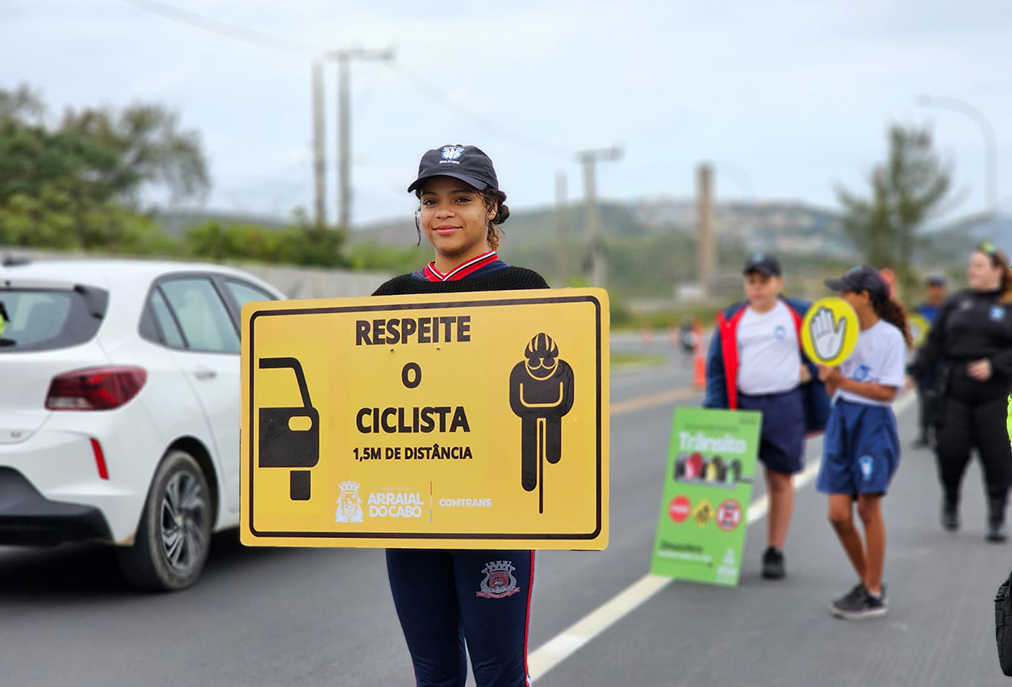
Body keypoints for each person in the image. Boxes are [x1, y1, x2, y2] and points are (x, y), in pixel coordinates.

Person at [373, 144, 547, 687]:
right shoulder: (391, 296)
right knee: (434, 673)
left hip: (494, 516)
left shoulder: (524, 289)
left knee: (499, 674)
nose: (443, 212)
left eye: (462, 199)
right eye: (430, 201)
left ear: (491, 207)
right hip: (411, 518)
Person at [704, 253, 830, 579]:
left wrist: (814, 371)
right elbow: (717, 367)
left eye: (764, 281)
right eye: (751, 281)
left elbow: (829, 349)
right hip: (742, 405)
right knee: (725, 479)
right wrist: (715, 410)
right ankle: (712, 549)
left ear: (779, 282)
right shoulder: (732, 319)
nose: (757, 287)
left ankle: (774, 549)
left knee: (779, 478)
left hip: (784, 405)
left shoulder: (800, 314)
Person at [816, 266, 909, 620]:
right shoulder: (841, 335)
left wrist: (841, 380)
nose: (840, 298)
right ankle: (870, 582)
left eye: (846, 292)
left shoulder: (889, 337)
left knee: (868, 509)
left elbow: (886, 392)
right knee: (838, 515)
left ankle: (872, 592)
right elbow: (833, 391)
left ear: (864, 297)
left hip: (872, 423)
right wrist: (829, 375)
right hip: (841, 420)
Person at [910, 243, 1012, 542]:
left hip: (995, 394)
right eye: (971, 265)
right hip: (956, 390)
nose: (972, 271)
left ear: (997, 271)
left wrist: (995, 364)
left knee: (997, 458)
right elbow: (934, 343)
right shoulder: (957, 302)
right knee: (950, 451)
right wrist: (914, 373)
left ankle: (996, 516)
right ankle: (951, 498)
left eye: (979, 266)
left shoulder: (1008, 305)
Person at [911, 275, 949, 447]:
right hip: (925, 359)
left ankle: (940, 431)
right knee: (924, 395)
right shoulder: (919, 311)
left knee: (942, 395)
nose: (935, 291)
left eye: (938, 287)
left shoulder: (949, 310)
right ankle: (925, 433)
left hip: (943, 359)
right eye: (932, 287)